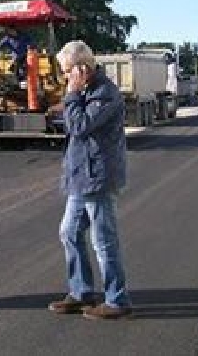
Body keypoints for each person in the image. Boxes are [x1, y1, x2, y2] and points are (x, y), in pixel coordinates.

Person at [48, 40, 133, 320]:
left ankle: (117, 300)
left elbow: (79, 126)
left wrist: (71, 95)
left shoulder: (104, 94)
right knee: (69, 232)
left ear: (81, 69)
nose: (63, 77)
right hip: (81, 177)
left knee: (103, 240)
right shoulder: (86, 92)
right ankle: (81, 291)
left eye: (66, 71)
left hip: (97, 176)